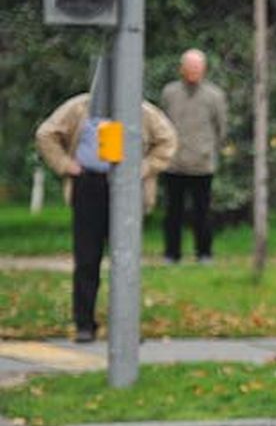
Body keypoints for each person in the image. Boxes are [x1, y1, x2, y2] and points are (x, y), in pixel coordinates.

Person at [35, 93, 178, 343]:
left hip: (127, 186)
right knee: (87, 258)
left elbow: (168, 140)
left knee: (126, 260)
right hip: (88, 184)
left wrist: (144, 167)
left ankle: (126, 326)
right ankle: (84, 324)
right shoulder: (80, 107)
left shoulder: (142, 110)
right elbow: (46, 133)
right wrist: (66, 164)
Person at [160, 49, 228, 264]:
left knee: (203, 212)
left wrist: (209, 149)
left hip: (202, 164)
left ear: (204, 69)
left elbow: (221, 128)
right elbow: (162, 123)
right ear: (182, 69)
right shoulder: (170, 92)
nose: (193, 72)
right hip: (174, 163)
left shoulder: (214, 96)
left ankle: (204, 253)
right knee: (173, 212)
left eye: (197, 68)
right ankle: (172, 254)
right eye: (190, 67)